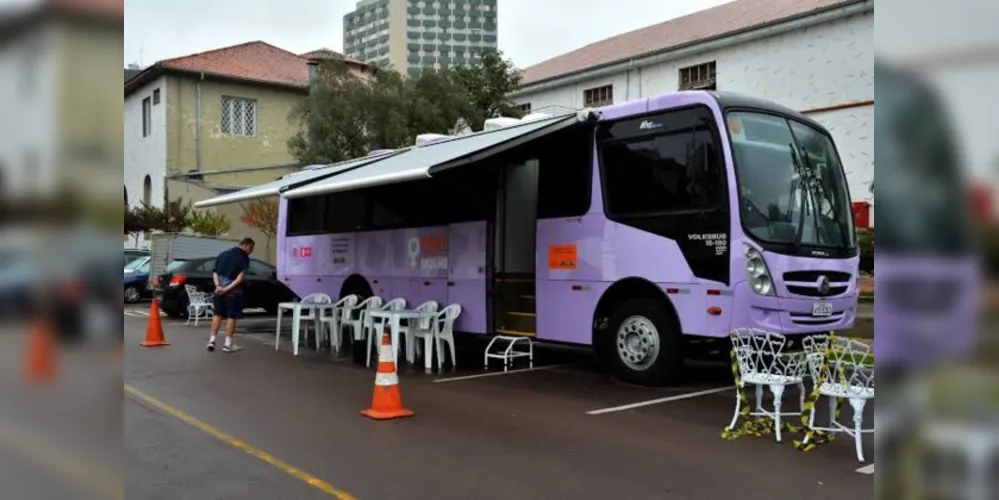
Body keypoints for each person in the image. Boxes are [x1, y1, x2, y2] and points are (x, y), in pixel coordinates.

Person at [206, 238, 254, 353]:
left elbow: (215, 272)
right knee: (231, 317)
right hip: (233, 291)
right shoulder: (243, 258)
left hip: (219, 290)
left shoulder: (223, 254)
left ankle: (212, 340)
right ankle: (228, 344)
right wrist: (227, 289)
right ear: (246, 245)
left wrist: (218, 286)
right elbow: (239, 278)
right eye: (251, 248)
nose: (251, 251)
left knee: (217, 314)